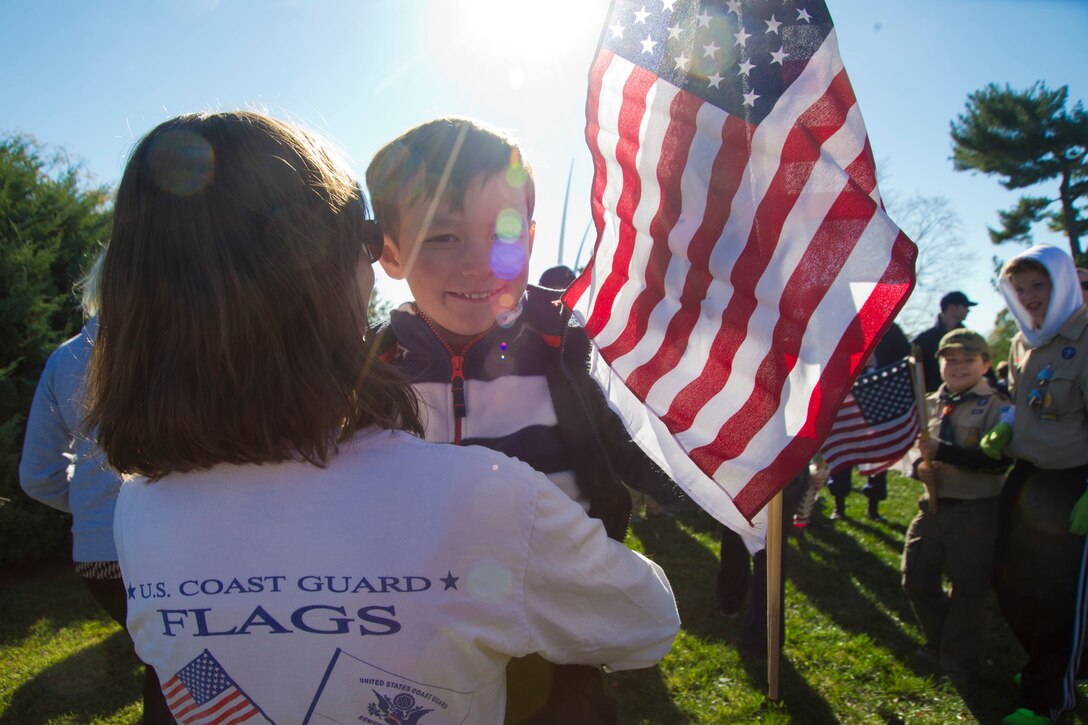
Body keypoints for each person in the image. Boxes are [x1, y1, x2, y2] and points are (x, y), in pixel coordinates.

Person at [88, 111, 681, 725]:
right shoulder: (488, 500)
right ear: (349, 267)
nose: (477, 263)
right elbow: (644, 622)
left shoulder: (138, 513)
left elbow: (192, 688)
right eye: (363, 240)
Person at [367, 115, 684, 723]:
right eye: (442, 237)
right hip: (418, 652)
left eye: (504, 233)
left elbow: (642, 453)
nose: (479, 264)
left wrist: (724, 489)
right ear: (391, 252)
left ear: (532, 238)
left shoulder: (567, 354)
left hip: (556, 647)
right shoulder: (373, 375)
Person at [18, 253, 172, 724]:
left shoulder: (64, 359)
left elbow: (36, 475)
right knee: (180, 669)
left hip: (98, 558)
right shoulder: (177, 349)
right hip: (163, 548)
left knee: (166, 665)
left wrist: (93, 508)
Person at [992, 244, 1088, 725]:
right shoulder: (1022, 339)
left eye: (1039, 285)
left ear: (1063, 282)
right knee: (1007, 579)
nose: (1028, 296)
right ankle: (1054, 666)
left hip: (1073, 482)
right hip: (1025, 476)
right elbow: (1020, 401)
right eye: (1019, 287)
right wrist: (1007, 426)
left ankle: (1050, 700)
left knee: (1057, 596)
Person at [901, 329, 1010, 691]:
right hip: (933, 508)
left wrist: (942, 450)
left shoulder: (999, 406)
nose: (958, 367)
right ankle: (942, 638)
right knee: (916, 577)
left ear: (985, 364)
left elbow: (996, 462)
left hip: (976, 512)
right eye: (950, 360)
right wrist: (920, 468)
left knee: (970, 589)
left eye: (967, 360)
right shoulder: (929, 402)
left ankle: (959, 659)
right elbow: (914, 455)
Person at [827, 322, 911, 521]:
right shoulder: (843, 322)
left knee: (878, 456)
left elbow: (904, 359)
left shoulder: (892, 328)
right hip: (847, 400)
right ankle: (839, 506)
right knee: (842, 453)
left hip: (880, 399)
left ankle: (873, 507)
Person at [912, 291, 978, 393]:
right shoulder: (923, 341)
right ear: (952, 308)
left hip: (970, 399)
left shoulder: (970, 338)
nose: (968, 310)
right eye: (965, 306)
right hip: (935, 402)